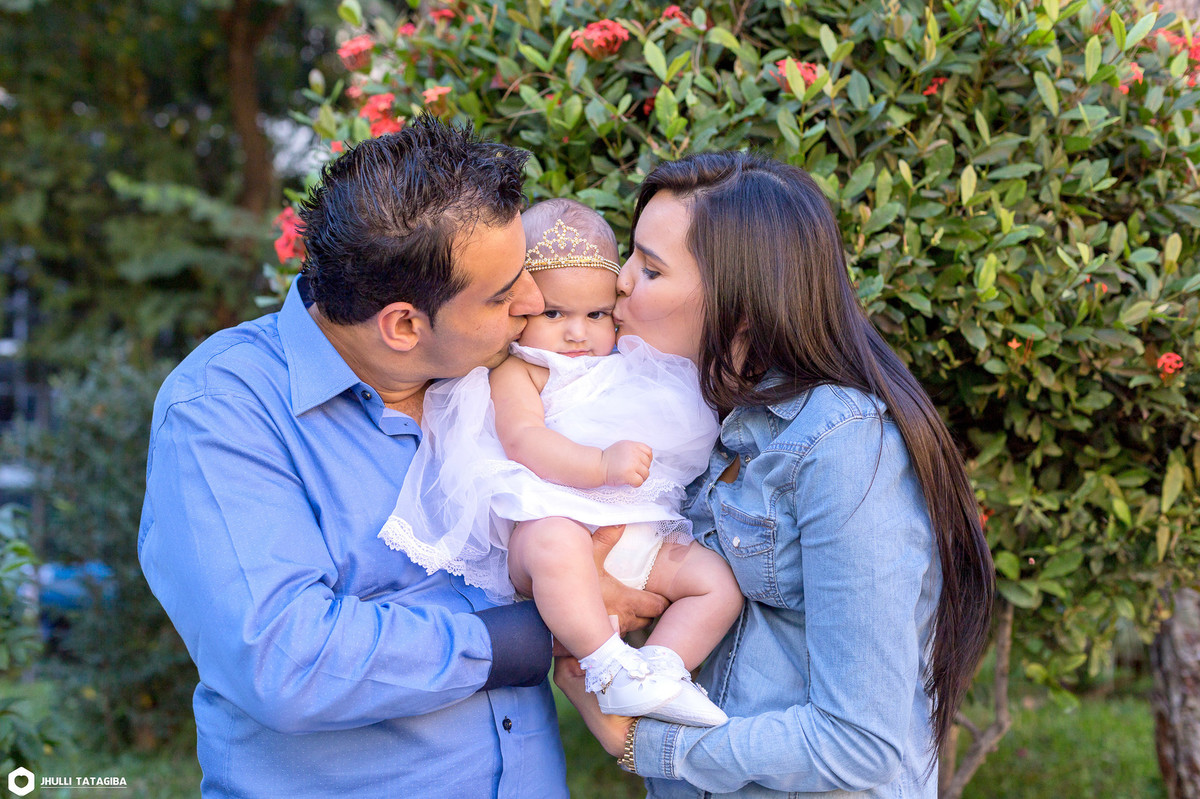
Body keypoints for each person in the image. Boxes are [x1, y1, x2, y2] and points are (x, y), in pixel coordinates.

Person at [136, 118, 666, 798]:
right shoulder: (225, 408)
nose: (534, 303)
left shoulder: (505, 377)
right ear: (404, 325)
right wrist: (539, 631)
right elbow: (284, 657)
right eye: (506, 293)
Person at [555, 151, 996, 797]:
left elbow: (861, 744)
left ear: (742, 304)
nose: (618, 283)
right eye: (631, 256)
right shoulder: (693, 417)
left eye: (650, 268)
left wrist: (642, 743)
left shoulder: (841, 443)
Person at [380, 199, 743, 727]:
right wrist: (600, 464)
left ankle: (660, 671)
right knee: (557, 542)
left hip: (637, 531)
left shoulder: (622, 363)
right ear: (522, 310)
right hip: (550, 522)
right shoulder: (522, 372)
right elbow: (525, 441)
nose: (577, 333)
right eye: (554, 314)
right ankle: (607, 665)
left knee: (716, 584)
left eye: (596, 314)